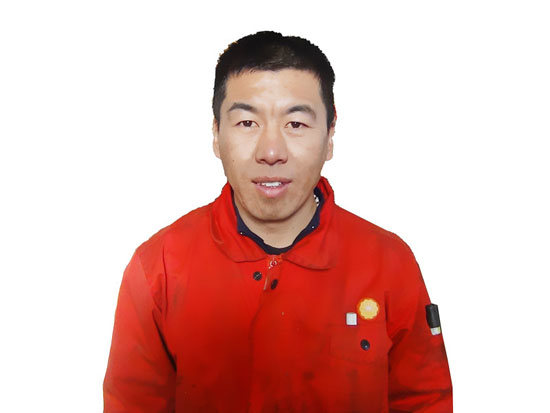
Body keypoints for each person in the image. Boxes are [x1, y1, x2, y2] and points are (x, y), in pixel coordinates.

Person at [103, 31, 452, 412]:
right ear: (216, 134)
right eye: (247, 123)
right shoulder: (160, 268)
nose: (271, 151)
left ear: (330, 135)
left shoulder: (389, 263)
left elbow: (425, 400)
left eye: (296, 124)